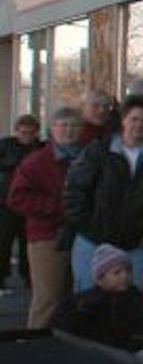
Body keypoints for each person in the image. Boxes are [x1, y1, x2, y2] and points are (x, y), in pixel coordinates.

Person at [65, 94, 143, 293]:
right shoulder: (99, 151)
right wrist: (88, 225)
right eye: (134, 119)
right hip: (93, 240)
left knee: (136, 302)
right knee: (88, 299)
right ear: (124, 120)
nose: (138, 125)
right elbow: (75, 191)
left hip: (138, 244)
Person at [7, 108, 86, 327]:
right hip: (47, 237)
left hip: (82, 235)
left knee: (75, 298)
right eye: (64, 126)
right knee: (47, 299)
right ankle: (34, 346)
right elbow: (17, 198)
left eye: (74, 126)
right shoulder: (37, 161)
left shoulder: (88, 157)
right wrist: (58, 207)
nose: (69, 131)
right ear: (52, 130)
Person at [54, 243, 143, 353]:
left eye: (128, 271)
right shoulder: (80, 304)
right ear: (100, 279)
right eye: (117, 273)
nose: (124, 276)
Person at [0, 114, 39, 288]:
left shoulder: (40, 148)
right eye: (23, 133)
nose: (27, 136)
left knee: (28, 245)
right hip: (6, 203)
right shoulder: (5, 145)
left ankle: (29, 278)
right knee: (3, 242)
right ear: (17, 132)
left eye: (30, 133)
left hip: (28, 204)